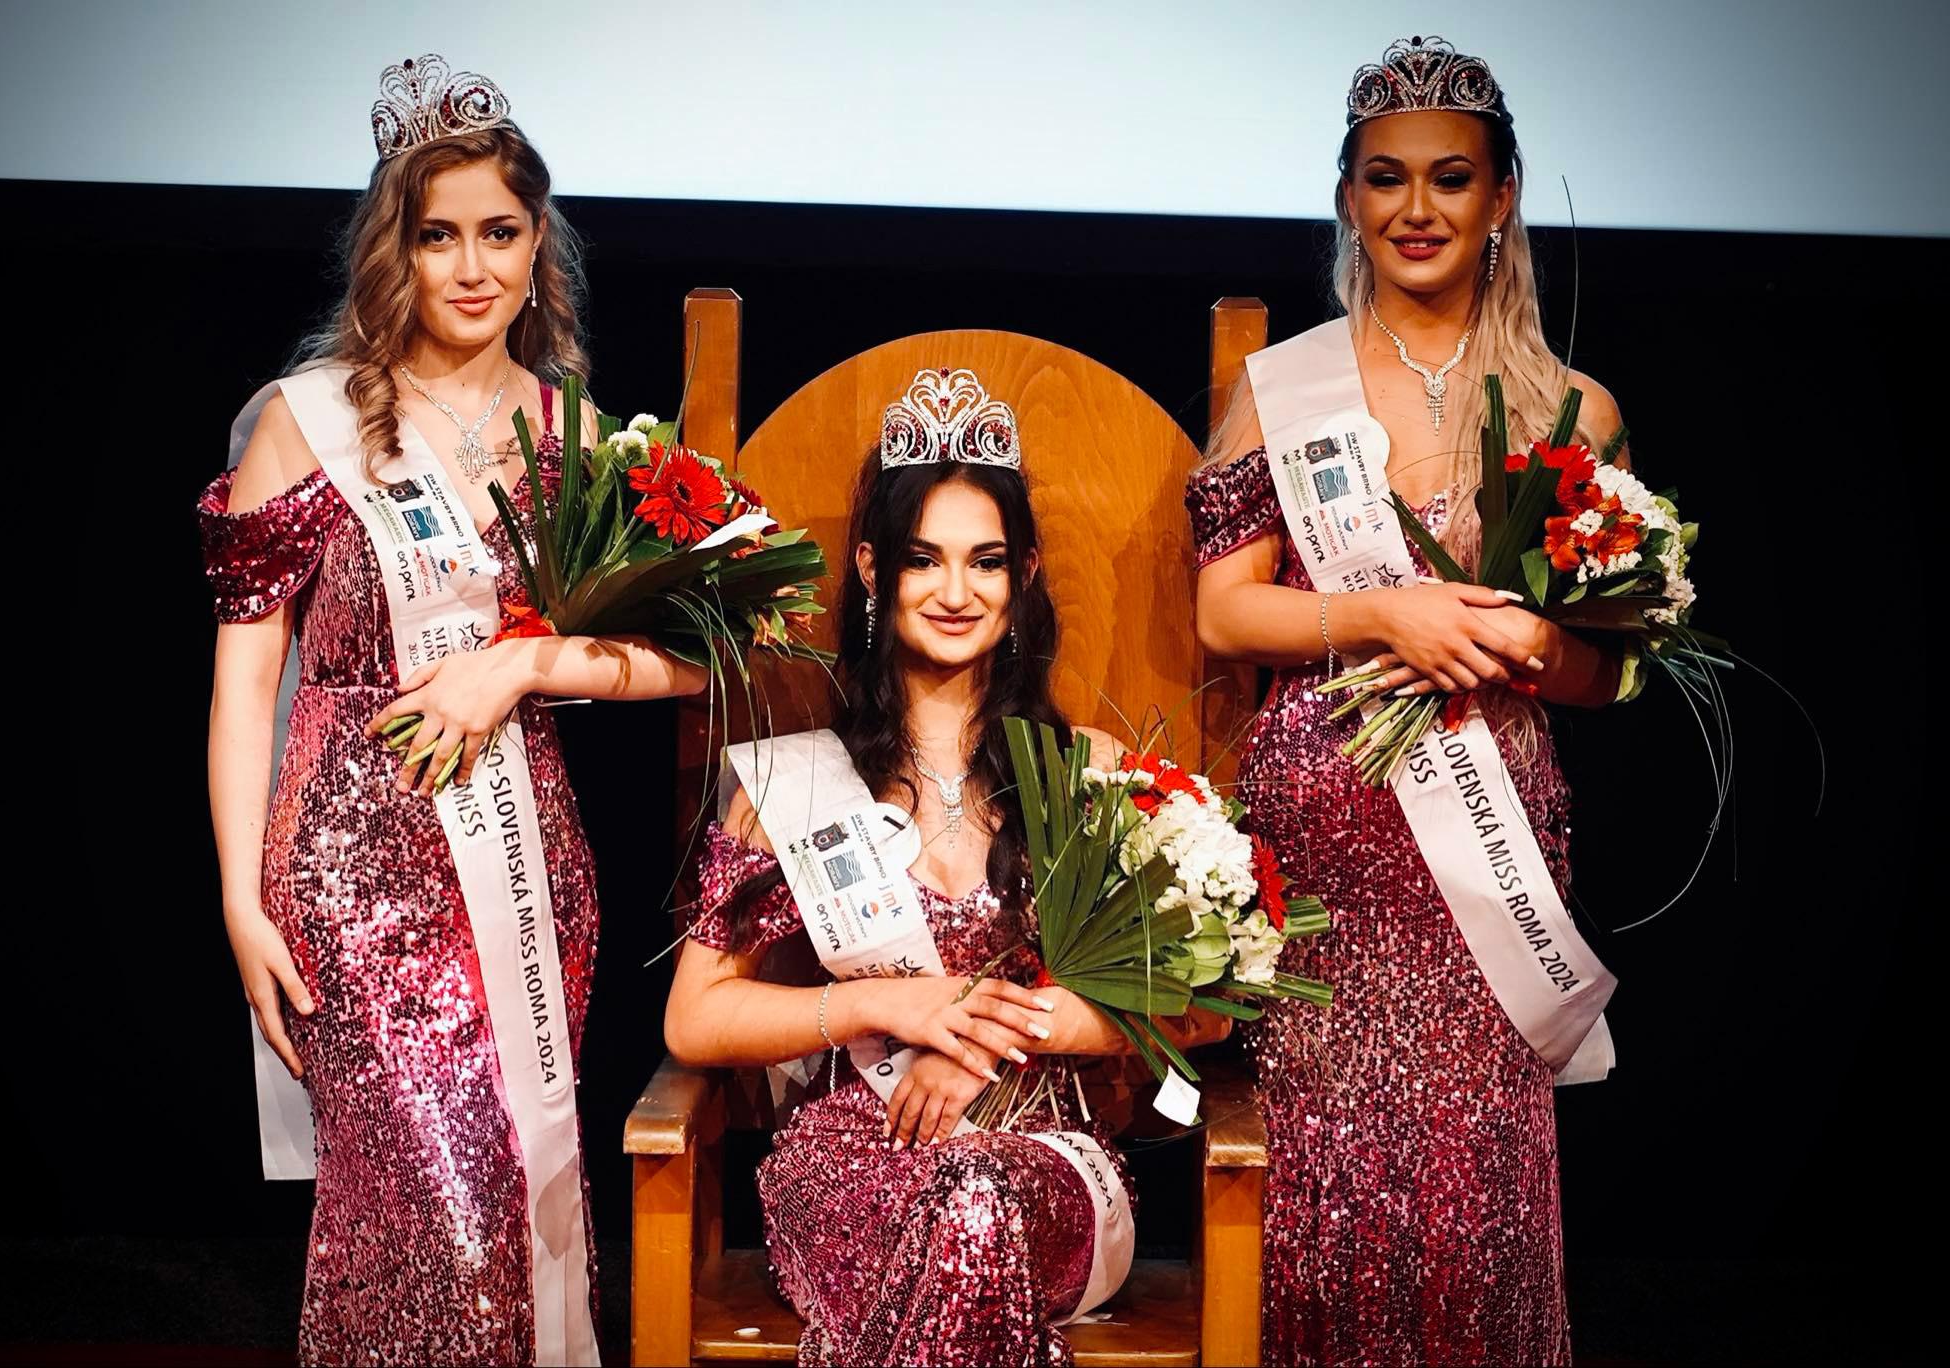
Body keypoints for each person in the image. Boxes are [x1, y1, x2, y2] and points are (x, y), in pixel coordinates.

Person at [200, 55, 704, 1366]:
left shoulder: (576, 436)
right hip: (354, 877)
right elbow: (248, 681)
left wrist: (530, 667)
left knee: (509, 1201)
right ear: (395, 254)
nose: (473, 267)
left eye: (500, 232)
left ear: (540, 246)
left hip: (527, 866)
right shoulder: (306, 427)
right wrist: (241, 901)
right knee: (421, 1214)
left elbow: (699, 658)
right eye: (439, 237)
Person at [1188, 36, 1628, 1365]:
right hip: (1327, 853)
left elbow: (1607, 669)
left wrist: (1517, 645)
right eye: (1386, 180)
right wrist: (1385, 612)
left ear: (1502, 197)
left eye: (1450, 178)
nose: (1417, 209)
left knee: (1475, 1204)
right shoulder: (1283, 389)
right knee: (1328, 1202)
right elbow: (1223, 612)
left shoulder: (1576, 409)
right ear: (1348, 199)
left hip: (1489, 855)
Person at [665, 367, 1226, 1367]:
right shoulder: (794, 786)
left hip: (1040, 1157)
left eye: (986, 562)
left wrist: (981, 1040)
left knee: (972, 1208)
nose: (956, 592)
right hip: (853, 1154)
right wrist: (893, 1007)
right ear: (875, 570)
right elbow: (695, 1019)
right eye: (924, 560)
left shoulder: (1094, 774)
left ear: (1024, 577)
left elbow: (1200, 1007)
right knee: (949, 1214)